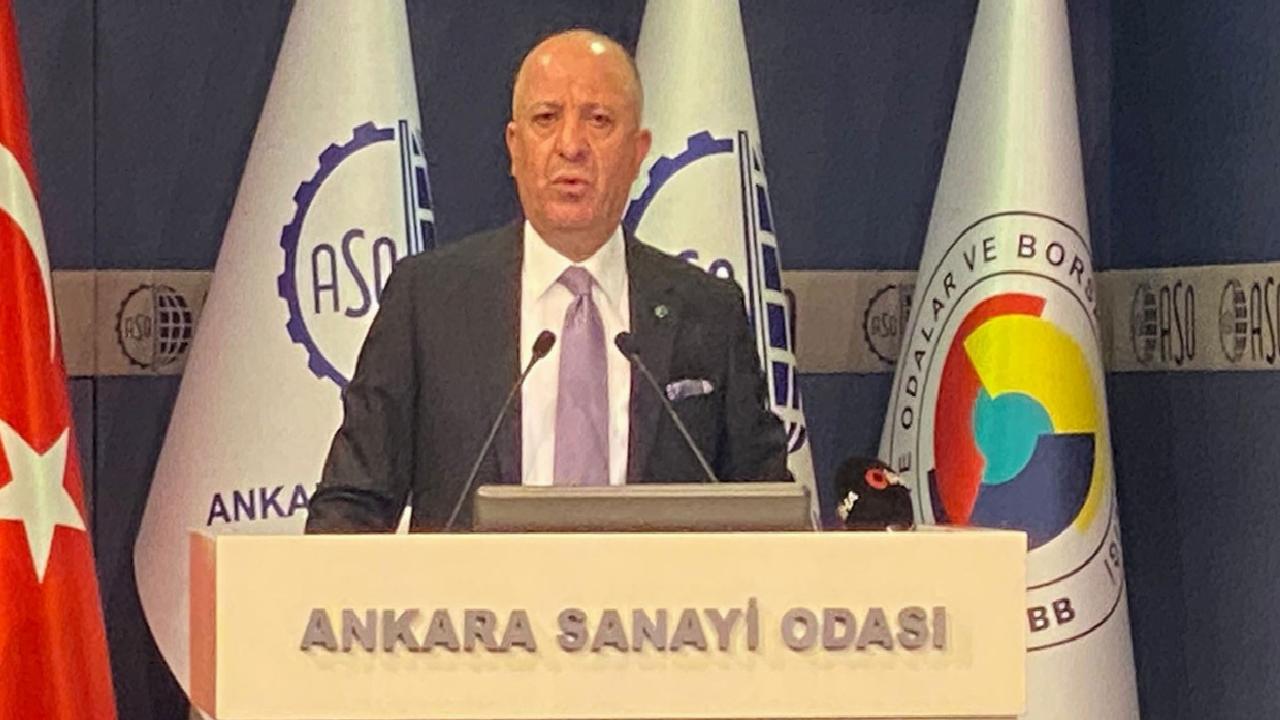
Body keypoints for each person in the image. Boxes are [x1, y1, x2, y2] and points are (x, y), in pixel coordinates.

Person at [305, 29, 788, 533]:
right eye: (546, 118)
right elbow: (351, 506)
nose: (571, 146)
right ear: (515, 148)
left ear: (638, 151)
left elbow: (769, 513)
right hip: (475, 587)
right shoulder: (428, 302)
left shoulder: (709, 311)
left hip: (657, 588)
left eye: (598, 120)